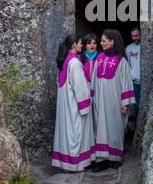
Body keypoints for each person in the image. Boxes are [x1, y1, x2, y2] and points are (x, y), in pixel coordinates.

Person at [90, 29, 135, 172]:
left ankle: (115, 157)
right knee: (100, 127)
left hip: (115, 101)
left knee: (115, 126)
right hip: (100, 100)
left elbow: (126, 82)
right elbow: (93, 80)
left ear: (112, 42)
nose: (101, 43)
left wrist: (125, 103)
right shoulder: (99, 58)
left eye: (103, 41)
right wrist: (92, 97)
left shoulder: (121, 60)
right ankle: (101, 159)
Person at [52, 35, 95, 172]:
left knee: (67, 134)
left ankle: (66, 163)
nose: (82, 46)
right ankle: (76, 164)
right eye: (80, 43)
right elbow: (80, 87)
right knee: (76, 134)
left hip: (66, 105)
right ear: (73, 45)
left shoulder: (64, 61)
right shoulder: (75, 63)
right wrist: (85, 105)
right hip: (74, 106)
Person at [126, 26, 141, 127]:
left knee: (141, 107)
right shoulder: (128, 48)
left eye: (136, 35)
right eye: (133, 36)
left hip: (144, 82)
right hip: (134, 82)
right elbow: (127, 64)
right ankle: (132, 130)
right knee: (134, 108)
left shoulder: (145, 46)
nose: (135, 38)